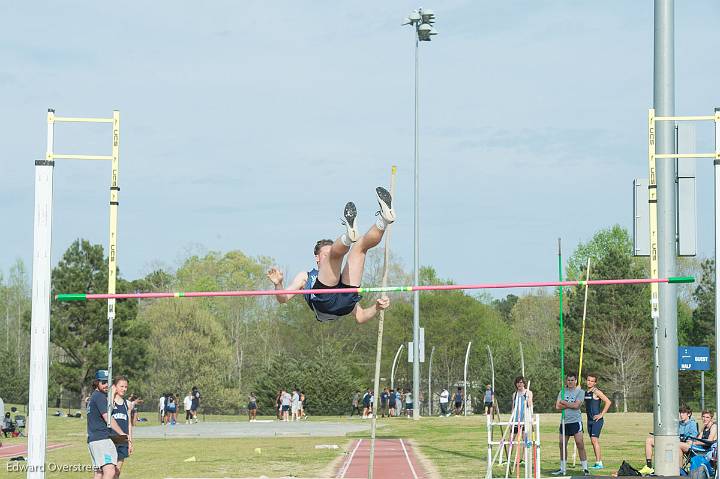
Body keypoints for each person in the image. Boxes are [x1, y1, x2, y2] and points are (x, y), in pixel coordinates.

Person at [267, 187, 396, 324]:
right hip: (325, 302)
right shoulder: (306, 276)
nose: (328, 257)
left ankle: (383, 220)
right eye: (325, 255)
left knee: (360, 248)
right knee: (336, 256)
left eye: (330, 252)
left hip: (343, 302)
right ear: (317, 257)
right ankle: (348, 237)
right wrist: (278, 284)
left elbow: (361, 316)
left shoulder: (340, 278)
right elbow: (283, 298)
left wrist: (376, 307)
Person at [87, 370, 127, 479]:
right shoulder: (99, 397)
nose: (106, 385)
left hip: (94, 440)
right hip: (101, 440)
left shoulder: (94, 397)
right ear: (96, 382)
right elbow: (108, 418)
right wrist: (122, 433)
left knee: (99, 473)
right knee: (110, 472)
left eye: (107, 382)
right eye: (103, 382)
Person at [639, 405, 699, 475]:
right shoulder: (678, 424)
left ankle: (679, 471)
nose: (681, 415)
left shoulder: (692, 424)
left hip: (686, 445)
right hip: (673, 441)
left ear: (689, 414)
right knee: (649, 440)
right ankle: (649, 466)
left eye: (683, 413)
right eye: (680, 413)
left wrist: (680, 438)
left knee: (676, 446)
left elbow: (692, 437)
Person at [552, 372, 589, 476]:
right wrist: (568, 405)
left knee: (579, 443)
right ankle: (562, 468)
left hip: (576, 421)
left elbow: (576, 406)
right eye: (568, 380)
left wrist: (564, 403)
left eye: (572, 380)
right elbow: (557, 407)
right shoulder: (562, 392)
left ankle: (585, 468)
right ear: (566, 381)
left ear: (576, 381)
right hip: (564, 421)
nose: (570, 382)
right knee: (562, 445)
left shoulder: (580, 392)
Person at [584, 373, 612, 470]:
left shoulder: (596, 392)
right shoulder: (586, 392)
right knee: (593, 441)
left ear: (595, 383)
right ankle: (597, 462)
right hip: (589, 420)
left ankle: (599, 463)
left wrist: (601, 414)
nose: (590, 382)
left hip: (597, 420)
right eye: (588, 380)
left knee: (594, 440)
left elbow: (608, 402)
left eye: (592, 381)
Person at [110, 375, 133, 478]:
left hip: (122, 441)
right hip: (110, 439)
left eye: (126, 387)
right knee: (108, 471)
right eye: (121, 386)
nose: (124, 389)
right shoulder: (109, 402)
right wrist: (112, 393)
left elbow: (129, 424)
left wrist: (130, 441)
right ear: (115, 386)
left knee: (117, 472)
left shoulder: (127, 404)